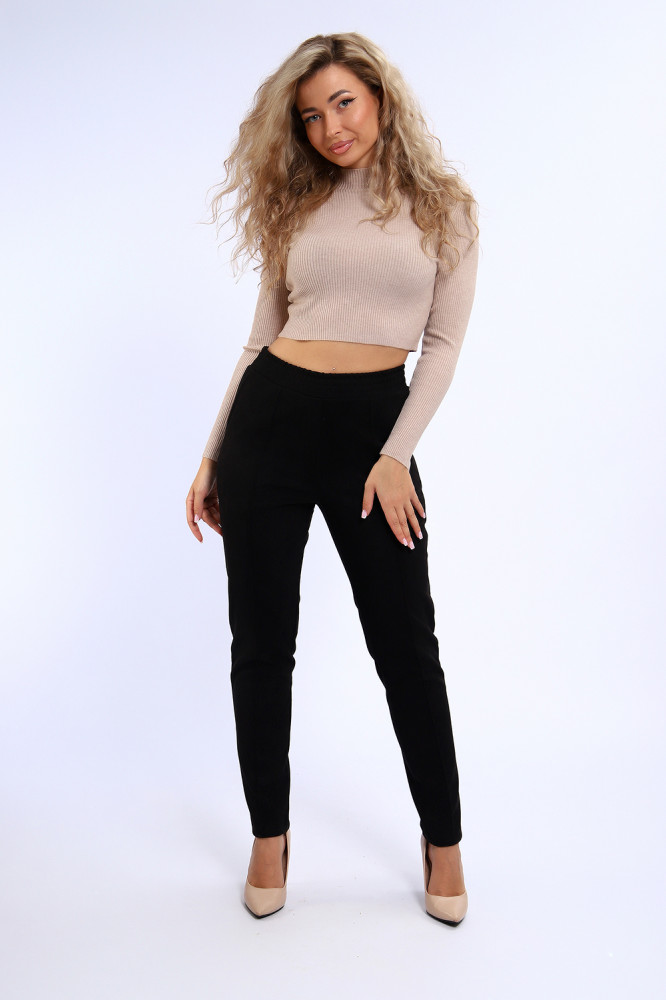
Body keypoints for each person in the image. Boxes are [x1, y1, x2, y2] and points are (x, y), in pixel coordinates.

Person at [186, 32, 480, 924]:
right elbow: (259, 337)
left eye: (342, 103)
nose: (329, 127)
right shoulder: (297, 205)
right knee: (260, 645)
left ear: (380, 95)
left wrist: (393, 455)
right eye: (311, 116)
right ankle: (268, 835)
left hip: (371, 436)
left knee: (407, 647)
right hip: (269, 424)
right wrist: (212, 453)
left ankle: (444, 841)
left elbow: (442, 346)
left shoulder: (446, 208)